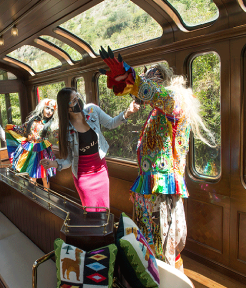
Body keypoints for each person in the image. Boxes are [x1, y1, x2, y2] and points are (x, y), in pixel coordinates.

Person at [98, 46, 215, 270]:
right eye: (146, 77)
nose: (149, 80)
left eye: (154, 77)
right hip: (149, 187)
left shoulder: (174, 101)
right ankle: (151, 275)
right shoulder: (157, 110)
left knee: (161, 240)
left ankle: (166, 277)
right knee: (147, 239)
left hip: (162, 189)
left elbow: (153, 93)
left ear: (164, 80)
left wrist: (131, 78)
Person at [40, 88, 139, 211]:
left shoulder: (93, 111)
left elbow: (111, 123)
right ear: (66, 107)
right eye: (74, 101)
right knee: (91, 213)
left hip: (101, 170)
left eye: (78, 96)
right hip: (83, 176)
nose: (79, 101)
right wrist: (54, 163)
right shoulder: (65, 130)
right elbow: (69, 160)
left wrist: (128, 112)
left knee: (104, 211)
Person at [5, 99, 58, 188]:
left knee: (45, 176)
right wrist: (12, 127)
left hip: (43, 150)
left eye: (52, 110)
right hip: (31, 149)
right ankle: (33, 196)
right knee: (32, 175)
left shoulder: (52, 124)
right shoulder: (32, 119)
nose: (49, 111)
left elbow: (56, 134)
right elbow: (23, 129)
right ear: (42, 108)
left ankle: (47, 197)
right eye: (47, 108)